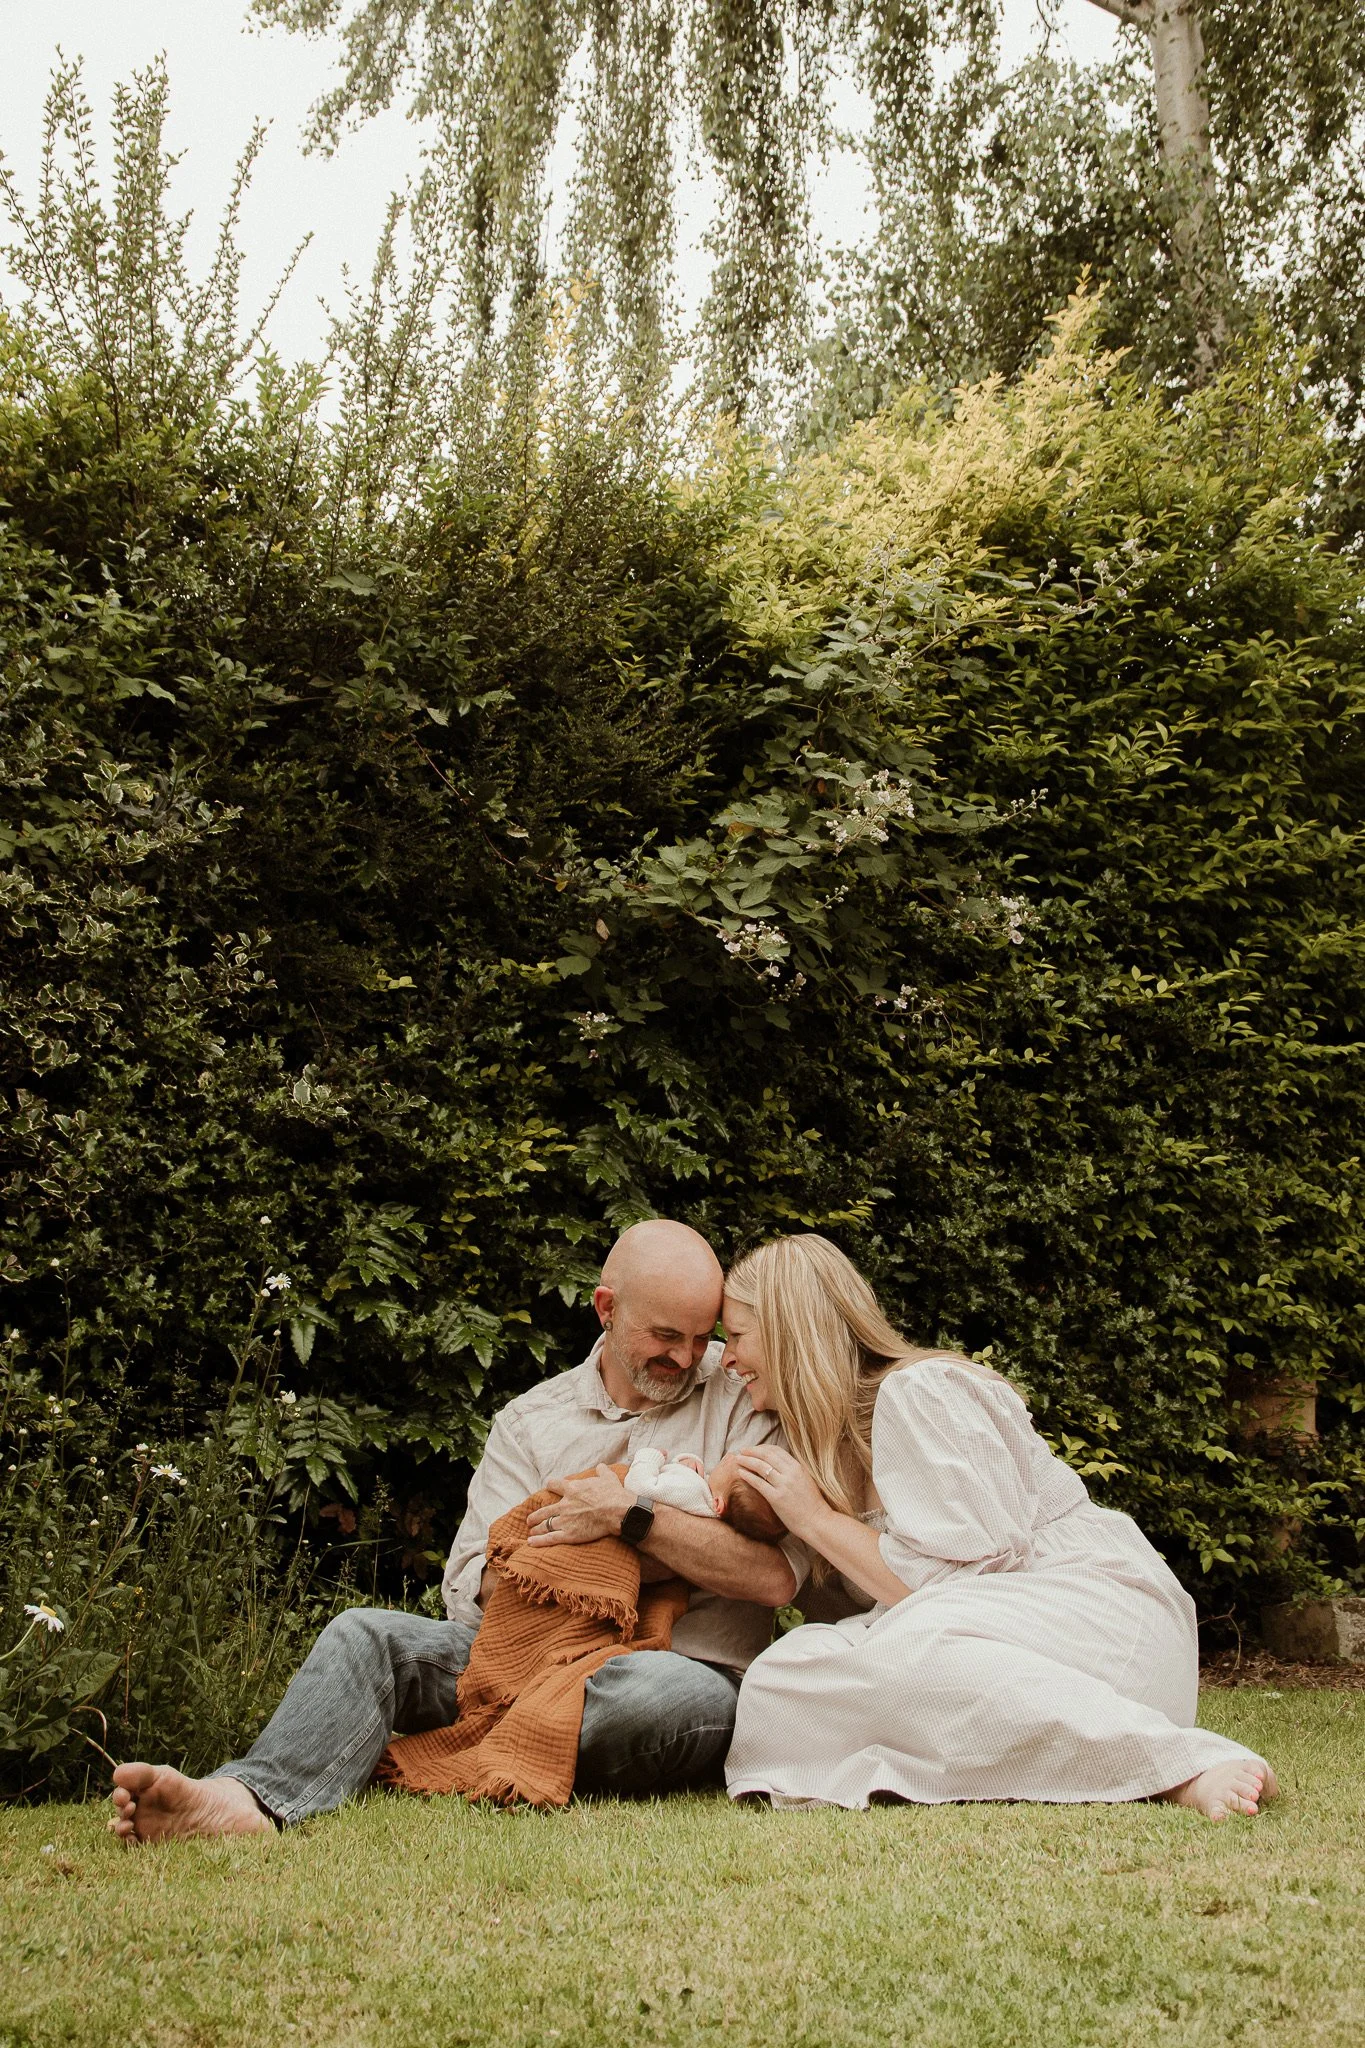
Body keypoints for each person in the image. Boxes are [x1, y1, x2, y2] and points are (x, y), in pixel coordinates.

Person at [109, 1219, 805, 1842]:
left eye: (700, 1336)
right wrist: (641, 1558)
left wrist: (626, 1520)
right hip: (520, 1663)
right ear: (606, 1309)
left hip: (675, 1673)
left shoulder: (743, 1393)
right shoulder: (531, 1423)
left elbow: (766, 1574)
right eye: (663, 1337)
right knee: (365, 1633)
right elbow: (476, 1587)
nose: (687, 1359)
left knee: (653, 1696)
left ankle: (479, 1743)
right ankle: (250, 1800)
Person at [720, 1234, 1277, 1822]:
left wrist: (813, 1519)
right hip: (979, 1654)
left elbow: (957, 1584)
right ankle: (996, 1758)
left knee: (918, 1642)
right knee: (784, 1673)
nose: (727, 1358)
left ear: (789, 1331)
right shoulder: (827, 1452)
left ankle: (1181, 1766)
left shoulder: (918, 1392)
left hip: (1091, 1618)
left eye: (736, 1336)